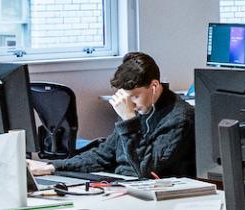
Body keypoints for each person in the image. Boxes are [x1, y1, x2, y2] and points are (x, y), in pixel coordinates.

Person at [28, 51, 194, 178]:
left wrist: (129, 120)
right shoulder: (137, 108)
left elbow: (145, 171)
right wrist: (52, 167)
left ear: (154, 86)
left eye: (135, 96)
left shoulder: (179, 118)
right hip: (119, 183)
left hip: (153, 193)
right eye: (126, 97)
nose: (131, 104)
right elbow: (103, 154)